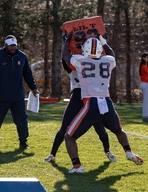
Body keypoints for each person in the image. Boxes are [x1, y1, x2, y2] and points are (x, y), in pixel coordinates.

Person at [64, 38, 143, 173]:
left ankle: (77, 166)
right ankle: (128, 151)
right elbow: (111, 54)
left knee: (69, 136)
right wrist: (104, 41)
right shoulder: (108, 60)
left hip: (90, 103)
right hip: (106, 102)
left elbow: (66, 57)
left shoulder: (80, 60)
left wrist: (67, 41)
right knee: (118, 130)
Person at [44, 34, 117, 163]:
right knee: (64, 128)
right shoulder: (77, 61)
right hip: (78, 97)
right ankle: (52, 154)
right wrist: (66, 43)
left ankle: (107, 151)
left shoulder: (90, 62)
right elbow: (65, 58)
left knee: (100, 129)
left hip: (90, 97)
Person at [0, 35, 39, 148]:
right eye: (10, 46)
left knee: (22, 120)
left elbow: (27, 74)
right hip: (1, 96)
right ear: (5, 45)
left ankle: (23, 142)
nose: (13, 48)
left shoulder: (22, 57)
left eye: (14, 45)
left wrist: (33, 88)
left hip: (17, 96)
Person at [139, 52, 148, 119]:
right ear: (143, 58)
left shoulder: (145, 66)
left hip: (146, 84)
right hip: (145, 84)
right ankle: (146, 114)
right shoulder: (144, 66)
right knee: (147, 100)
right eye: (147, 57)